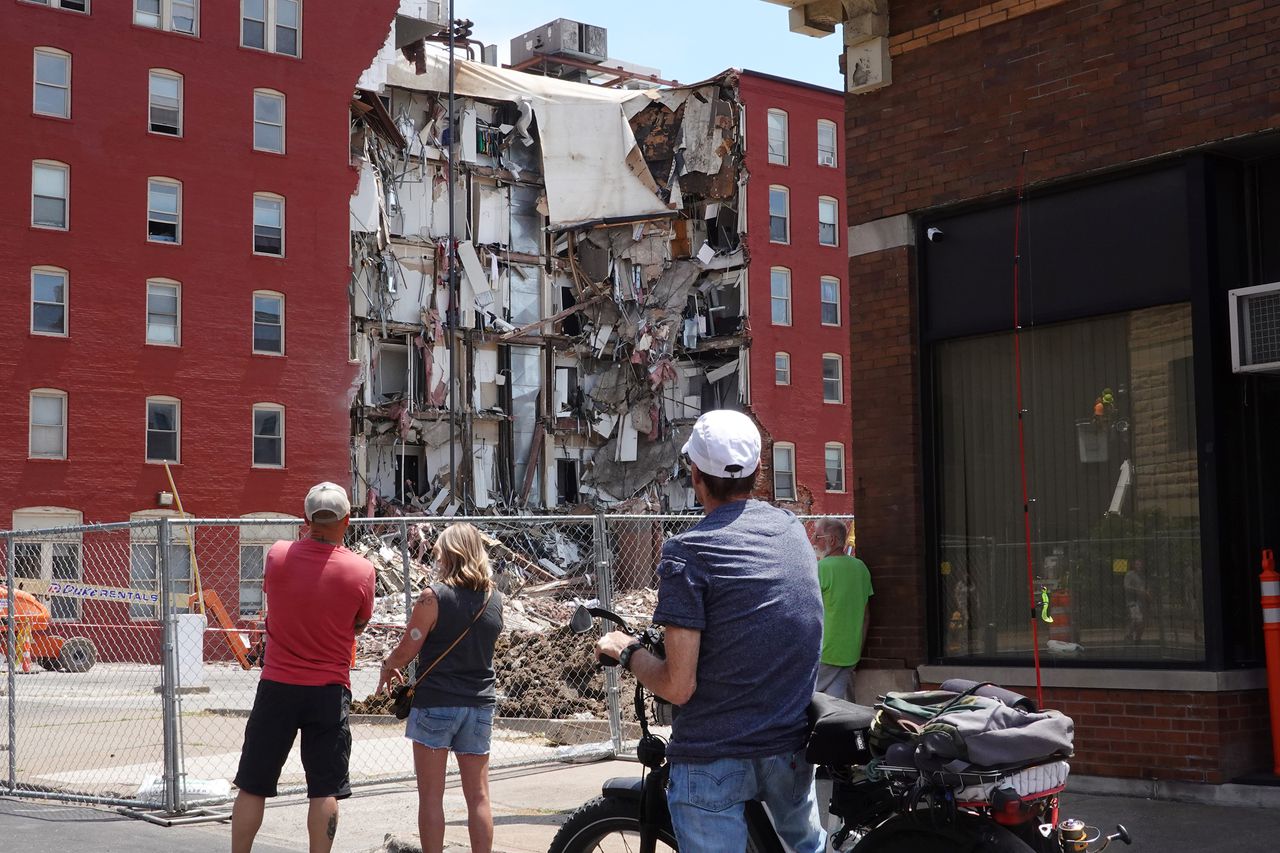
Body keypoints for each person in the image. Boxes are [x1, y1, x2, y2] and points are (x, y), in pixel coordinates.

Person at [596, 410, 825, 853]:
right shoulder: (792, 531)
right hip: (789, 749)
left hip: (713, 754)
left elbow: (678, 687)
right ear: (758, 471)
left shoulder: (689, 551)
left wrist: (627, 651)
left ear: (695, 475)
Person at [231, 482, 375, 853]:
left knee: (253, 783)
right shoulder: (362, 571)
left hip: (277, 684)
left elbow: (277, 597)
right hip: (329, 690)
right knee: (324, 788)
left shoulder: (277, 555)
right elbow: (359, 623)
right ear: (346, 519)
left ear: (306, 518)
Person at [376, 523, 504, 853]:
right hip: (479, 705)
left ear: (448, 554)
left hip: (436, 704)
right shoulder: (494, 599)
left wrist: (389, 666)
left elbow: (408, 649)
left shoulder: (432, 598)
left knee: (431, 797)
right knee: (478, 795)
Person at [812, 519, 873, 702]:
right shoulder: (860, 568)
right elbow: (866, 616)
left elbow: (807, 612)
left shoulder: (821, 568)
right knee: (836, 707)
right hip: (850, 653)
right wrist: (858, 650)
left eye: (817, 536)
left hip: (825, 651)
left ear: (830, 540)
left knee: (798, 701)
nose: (813, 540)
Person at [1124, 558, 1150, 643]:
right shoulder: (1130, 574)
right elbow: (1126, 586)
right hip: (1132, 602)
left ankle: (1138, 639)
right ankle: (1128, 635)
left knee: (1142, 622)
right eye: (1137, 564)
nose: (1139, 566)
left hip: (1142, 602)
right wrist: (1138, 591)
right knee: (1137, 619)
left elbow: (1144, 588)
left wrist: (1147, 593)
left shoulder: (1142, 576)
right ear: (1134, 565)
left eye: (1140, 564)